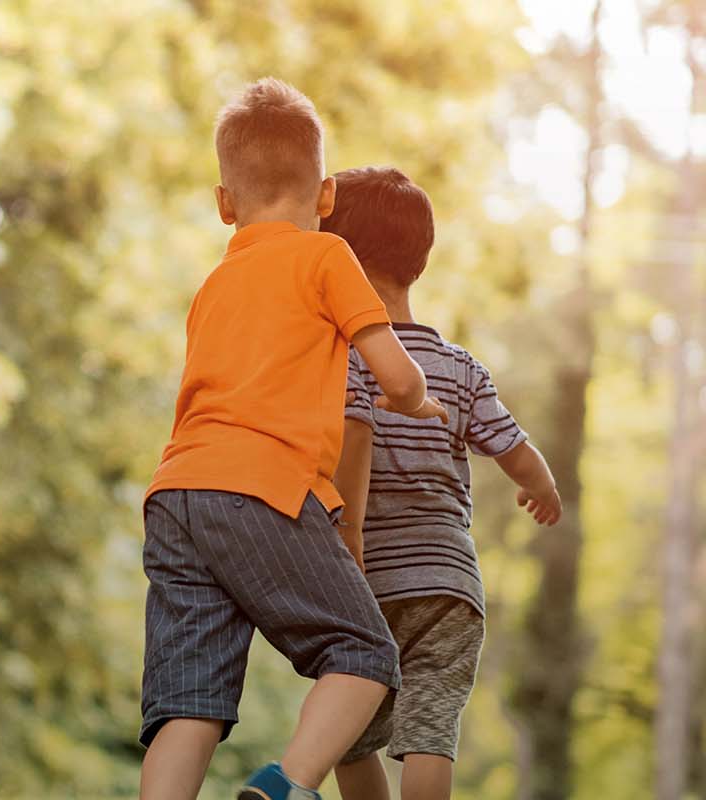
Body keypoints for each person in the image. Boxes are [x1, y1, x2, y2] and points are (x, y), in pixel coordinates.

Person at [137, 78, 448, 800]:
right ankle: (288, 785)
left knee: (188, 700)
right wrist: (421, 400)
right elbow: (395, 380)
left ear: (224, 204)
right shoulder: (325, 258)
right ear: (328, 195)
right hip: (263, 490)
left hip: (176, 495)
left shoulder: (215, 283)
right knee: (366, 654)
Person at [321, 167, 562, 800]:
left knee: (347, 733)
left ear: (336, 256)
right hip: (450, 582)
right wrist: (544, 489)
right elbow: (515, 449)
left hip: (366, 578)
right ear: (418, 262)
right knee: (430, 730)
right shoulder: (459, 368)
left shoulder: (342, 358)